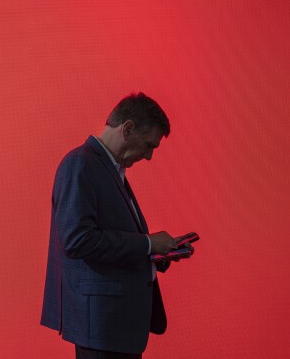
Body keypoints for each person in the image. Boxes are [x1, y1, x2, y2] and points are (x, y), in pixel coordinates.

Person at [41, 93, 192, 359]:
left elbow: (109, 240)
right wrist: (147, 243)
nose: (148, 157)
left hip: (114, 326)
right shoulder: (81, 164)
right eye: (148, 146)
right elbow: (77, 240)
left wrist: (158, 253)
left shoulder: (109, 169)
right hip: (102, 325)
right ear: (128, 128)